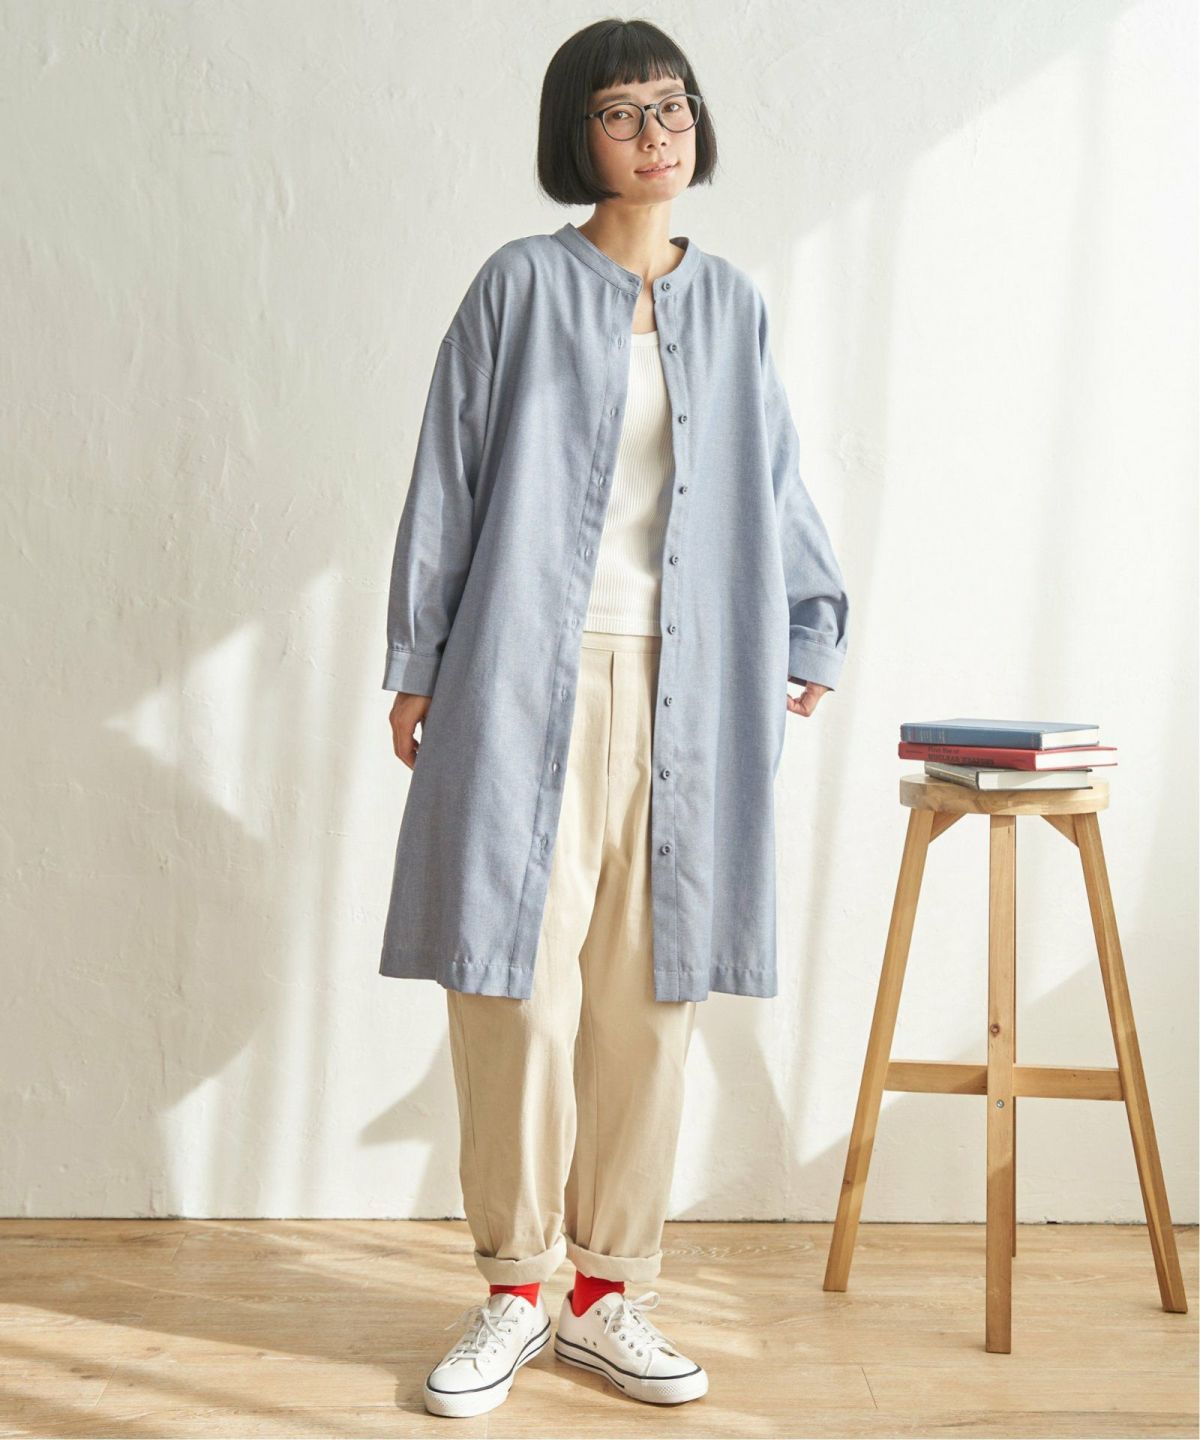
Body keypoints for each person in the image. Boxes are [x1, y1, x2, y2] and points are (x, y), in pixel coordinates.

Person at [379, 18, 850, 1420]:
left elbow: (774, 478)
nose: (657, 132)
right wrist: (417, 659)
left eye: (673, 104)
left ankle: (603, 1297)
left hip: (690, 690)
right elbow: (449, 472)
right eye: (623, 111)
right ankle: (514, 1291)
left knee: (650, 1001)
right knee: (511, 993)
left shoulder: (735, 306)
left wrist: (811, 620)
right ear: (575, 136)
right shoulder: (519, 287)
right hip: (519, 679)